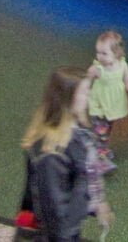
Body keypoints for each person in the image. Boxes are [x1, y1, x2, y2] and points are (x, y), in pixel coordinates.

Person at [17, 68, 107, 242]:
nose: (88, 96)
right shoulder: (52, 155)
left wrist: (96, 203)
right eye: (84, 92)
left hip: (64, 230)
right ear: (68, 98)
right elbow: (55, 214)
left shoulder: (75, 132)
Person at [85, 31, 128, 173]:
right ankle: (99, 159)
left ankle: (98, 148)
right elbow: (85, 82)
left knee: (107, 129)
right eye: (98, 52)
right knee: (101, 132)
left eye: (104, 53)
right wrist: (84, 95)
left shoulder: (123, 65)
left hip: (113, 106)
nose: (100, 56)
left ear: (117, 53)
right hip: (99, 106)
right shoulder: (97, 69)